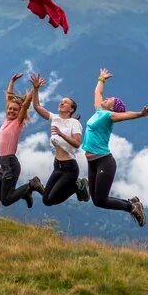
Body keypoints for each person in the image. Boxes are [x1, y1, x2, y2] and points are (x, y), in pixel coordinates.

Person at [83, 69, 148, 226]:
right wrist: (102, 78)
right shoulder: (99, 110)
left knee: (102, 199)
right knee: (97, 201)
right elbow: (98, 92)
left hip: (104, 161)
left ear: (113, 108)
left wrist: (141, 114)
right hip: (92, 161)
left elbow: (126, 115)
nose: (106, 98)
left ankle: (132, 207)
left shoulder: (110, 115)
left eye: (110, 100)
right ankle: (133, 203)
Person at [28, 75, 89, 206]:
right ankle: (39, 185)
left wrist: (61, 134)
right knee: (46, 200)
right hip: (57, 165)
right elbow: (37, 106)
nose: (61, 103)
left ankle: (77, 186)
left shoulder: (74, 123)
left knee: (51, 200)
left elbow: (77, 144)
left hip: (70, 168)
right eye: (61, 101)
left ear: (71, 109)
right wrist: (35, 89)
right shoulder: (55, 118)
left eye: (65, 102)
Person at [0, 73, 40, 209]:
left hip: (10, 164)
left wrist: (34, 90)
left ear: (19, 112)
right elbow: (8, 98)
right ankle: (25, 193)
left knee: (6, 200)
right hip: (4, 165)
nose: (11, 111)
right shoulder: (6, 121)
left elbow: (26, 105)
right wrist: (11, 81)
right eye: (9, 109)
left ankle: (31, 185)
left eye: (15, 110)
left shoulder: (17, 122)